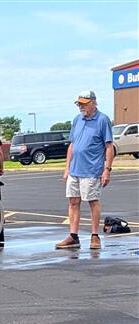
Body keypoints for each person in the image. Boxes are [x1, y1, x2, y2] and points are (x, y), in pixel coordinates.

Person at [55, 90, 114, 250]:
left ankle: (95, 236)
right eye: (79, 104)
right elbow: (72, 145)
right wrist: (67, 167)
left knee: (92, 201)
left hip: (92, 169)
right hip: (75, 169)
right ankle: (73, 236)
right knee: (73, 201)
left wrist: (107, 169)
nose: (80, 106)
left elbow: (109, 147)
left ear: (93, 103)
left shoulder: (102, 120)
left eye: (83, 103)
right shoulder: (77, 120)